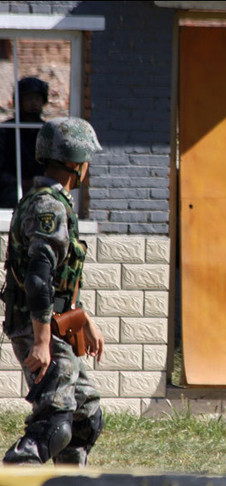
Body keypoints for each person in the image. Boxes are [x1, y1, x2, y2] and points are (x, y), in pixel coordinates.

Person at [1, 117, 105, 466]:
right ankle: (15, 472)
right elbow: (38, 279)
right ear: (77, 163)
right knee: (53, 425)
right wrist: (42, 342)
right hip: (38, 329)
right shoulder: (50, 207)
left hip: (50, 324)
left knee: (85, 417)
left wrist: (82, 318)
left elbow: (57, 279)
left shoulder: (49, 201)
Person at [0, 77, 49, 208]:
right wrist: (21, 183)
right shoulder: (7, 130)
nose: (34, 103)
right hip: (11, 192)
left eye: (37, 98)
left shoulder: (47, 131)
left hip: (41, 189)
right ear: (20, 102)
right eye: (29, 98)